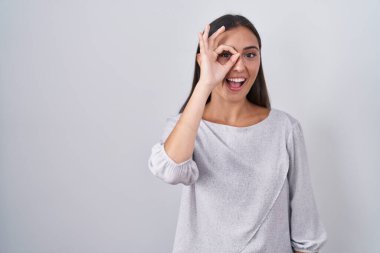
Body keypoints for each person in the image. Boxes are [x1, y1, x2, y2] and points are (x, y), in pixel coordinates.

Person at [148, 14, 328, 253]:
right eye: (225, 55)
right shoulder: (185, 128)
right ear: (205, 60)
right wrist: (206, 83)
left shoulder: (285, 129)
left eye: (250, 54)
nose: (240, 66)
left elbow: (306, 232)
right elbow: (171, 170)